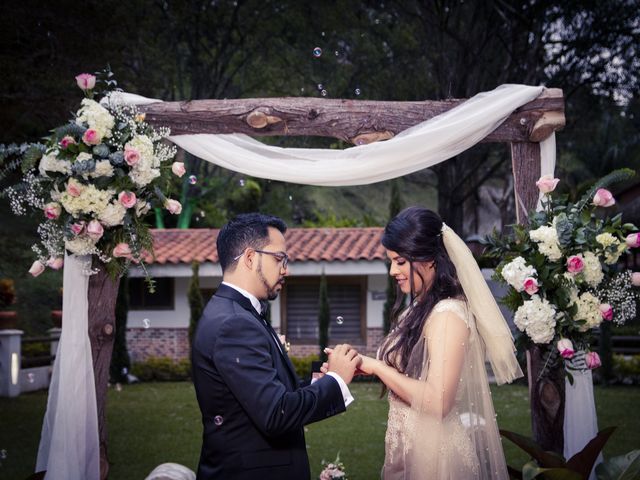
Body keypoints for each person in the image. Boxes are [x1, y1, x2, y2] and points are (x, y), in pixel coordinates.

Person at [352, 207, 523, 479]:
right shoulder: (420, 308)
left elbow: (438, 402)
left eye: (399, 261)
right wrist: (361, 364)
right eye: (391, 262)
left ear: (429, 259)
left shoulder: (447, 315)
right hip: (409, 443)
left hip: (436, 455)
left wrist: (377, 368)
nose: (393, 271)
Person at [192, 212, 359, 480]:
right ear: (249, 257)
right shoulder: (234, 323)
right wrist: (337, 381)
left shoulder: (239, 313)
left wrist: (318, 382)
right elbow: (275, 414)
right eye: (279, 258)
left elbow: (267, 394)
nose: (286, 269)